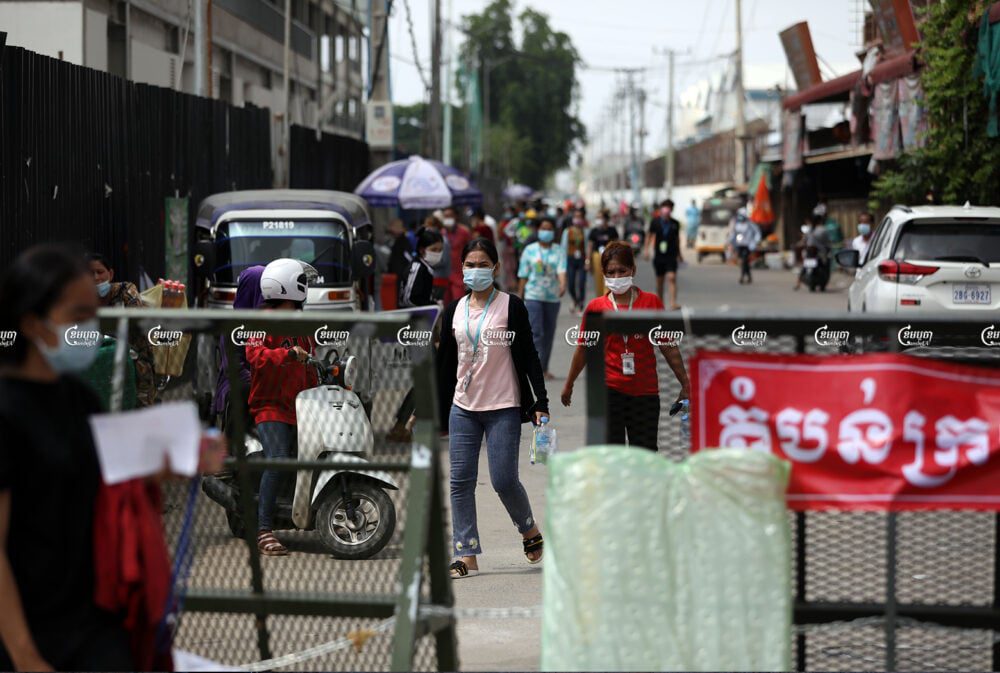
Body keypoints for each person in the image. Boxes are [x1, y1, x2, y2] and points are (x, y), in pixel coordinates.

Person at [0, 245, 223, 672]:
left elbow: (111, 469)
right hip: (26, 633)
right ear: (31, 323)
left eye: (93, 314)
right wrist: (25, 655)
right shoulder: (7, 413)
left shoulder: (77, 398)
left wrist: (181, 459)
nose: (91, 326)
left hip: (90, 620)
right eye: (78, 315)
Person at [435, 238, 549, 579]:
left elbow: (529, 356)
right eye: (469, 264)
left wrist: (540, 402)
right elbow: (445, 363)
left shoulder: (511, 306)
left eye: (482, 264)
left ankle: (528, 528)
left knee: (503, 479)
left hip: (503, 406)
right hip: (463, 407)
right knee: (460, 481)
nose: (475, 270)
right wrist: (433, 411)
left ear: (495, 268)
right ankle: (465, 552)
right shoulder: (454, 309)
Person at [561, 242, 690, 451]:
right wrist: (569, 384)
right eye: (611, 272)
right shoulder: (596, 308)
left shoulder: (651, 303)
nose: (617, 276)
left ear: (633, 270)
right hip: (610, 392)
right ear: (603, 273)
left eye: (622, 270)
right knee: (614, 457)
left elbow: (669, 347)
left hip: (645, 393)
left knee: (645, 455)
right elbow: (584, 349)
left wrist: (685, 383)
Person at [245, 258, 319, 556]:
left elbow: (310, 365)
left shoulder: (301, 325)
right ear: (290, 286)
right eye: (302, 283)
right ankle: (263, 530)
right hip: (270, 407)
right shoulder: (262, 321)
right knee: (278, 460)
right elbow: (255, 356)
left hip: (300, 406)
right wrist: (287, 354)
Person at [87, 253, 157, 406]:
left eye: (100, 272)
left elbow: (139, 319)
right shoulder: (84, 299)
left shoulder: (125, 291)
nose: (96, 278)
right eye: (90, 274)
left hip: (134, 356)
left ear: (110, 274)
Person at [212, 265, 265, 434]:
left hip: (267, 379)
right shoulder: (233, 325)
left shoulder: (271, 320)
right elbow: (233, 368)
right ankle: (231, 447)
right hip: (241, 382)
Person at [518, 217, 567, 379]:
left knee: (548, 333)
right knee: (536, 332)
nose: (546, 231)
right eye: (543, 228)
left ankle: (544, 368)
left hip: (552, 297)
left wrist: (562, 284)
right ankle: (534, 368)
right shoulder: (529, 250)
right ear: (538, 230)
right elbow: (523, 274)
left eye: (549, 228)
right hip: (533, 295)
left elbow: (561, 270)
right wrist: (520, 294)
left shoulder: (559, 250)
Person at [644, 199, 683, 310]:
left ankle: (673, 302)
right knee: (659, 281)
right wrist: (646, 250)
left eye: (669, 207)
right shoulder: (655, 222)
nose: (667, 209)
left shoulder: (675, 223)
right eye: (665, 207)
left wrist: (679, 254)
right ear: (661, 209)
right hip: (659, 256)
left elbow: (677, 239)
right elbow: (649, 236)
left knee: (672, 277)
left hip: (671, 255)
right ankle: (660, 303)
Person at [400, 228, 445, 308]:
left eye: (440, 250)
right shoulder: (417, 268)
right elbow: (409, 299)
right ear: (422, 250)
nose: (437, 253)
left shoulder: (426, 268)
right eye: (434, 249)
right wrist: (433, 305)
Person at [442, 206, 473, 304]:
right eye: (445, 216)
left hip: (459, 273)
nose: (448, 218)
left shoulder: (464, 232)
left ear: (456, 217)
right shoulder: (441, 233)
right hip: (444, 273)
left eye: (450, 216)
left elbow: (471, 250)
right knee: (445, 303)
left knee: (458, 302)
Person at [561, 208, 588, 315]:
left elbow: (587, 246)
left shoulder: (585, 231)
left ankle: (581, 303)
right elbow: (563, 247)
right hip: (570, 259)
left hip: (581, 259)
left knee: (581, 282)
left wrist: (588, 261)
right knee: (571, 283)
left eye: (579, 217)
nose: (577, 219)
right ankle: (575, 300)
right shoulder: (567, 232)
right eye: (575, 217)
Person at [587, 209, 618, 297]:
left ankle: (608, 299)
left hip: (609, 257)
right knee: (598, 280)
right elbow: (590, 246)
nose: (598, 220)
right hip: (597, 257)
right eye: (597, 218)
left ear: (606, 219)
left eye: (600, 218)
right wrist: (588, 261)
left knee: (608, 279)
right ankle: (600, 300)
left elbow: (616, 244)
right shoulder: (594, 231)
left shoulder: (612, 230)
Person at [728, 209, 762, 285]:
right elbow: (733, 235)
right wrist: (730, 242)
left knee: (744, 260)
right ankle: (749, 276)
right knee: (744, 262)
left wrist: (756, 241)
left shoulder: (750, 224)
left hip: (748, 245)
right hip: (740, 245)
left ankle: (742, 277)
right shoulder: (737, 225)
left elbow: (757, 233)